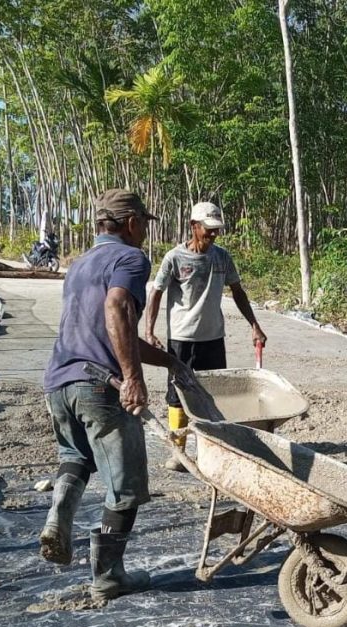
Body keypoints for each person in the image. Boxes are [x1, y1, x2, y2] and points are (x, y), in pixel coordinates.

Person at [39, 189, 196, 600]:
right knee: (125, 486)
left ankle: (59, 514)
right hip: (100, 387)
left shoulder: (79, 264)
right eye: (144, 222)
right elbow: (117, 309)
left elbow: (115, 331)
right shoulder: (130, 258)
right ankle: (108, 576)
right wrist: (133, 377)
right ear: (130, 224)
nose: (145, 229)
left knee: (75, 457)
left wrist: (169, 362)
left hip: (60, 382)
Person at [144, 202, 267, 471]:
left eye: (216, 230)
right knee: (178, 394)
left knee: (213, 395)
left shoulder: (222, 257)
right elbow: (156, 293)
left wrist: (254, 324)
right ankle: (179, 452)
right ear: (194, 226)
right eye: (208, 230)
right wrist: (149, 330)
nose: (213, 235)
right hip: (182, 338)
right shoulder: (174, 258)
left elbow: (238, 291)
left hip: (213, 337)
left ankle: (209, 448)